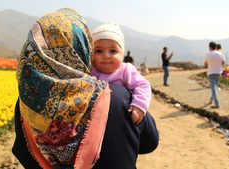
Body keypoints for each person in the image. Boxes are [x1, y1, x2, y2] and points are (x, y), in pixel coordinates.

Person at [12, 8, 159, 169]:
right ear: (81, 47)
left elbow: (21, 151)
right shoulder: (116, 96)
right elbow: (149, 142)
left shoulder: (25, 102)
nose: (106, 55)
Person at [90, 23, 151, 124]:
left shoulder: (125, 70)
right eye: (99, 51)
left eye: (113, 51)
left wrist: (139, 105)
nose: (106, 55)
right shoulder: (90, 71)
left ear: (122, 54)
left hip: (118, 119)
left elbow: (142, 85)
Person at [204, 41, 225, 109]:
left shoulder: (208, 54)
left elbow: (205, 64)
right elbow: (223, 62)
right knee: (215, 87)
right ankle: (211, 99)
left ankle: (217, 104)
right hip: (219, 72)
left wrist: (209, 65)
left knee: (213, 88)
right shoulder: (220, 54)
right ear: (216, 47)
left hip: (211, 72)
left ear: (210, 47)